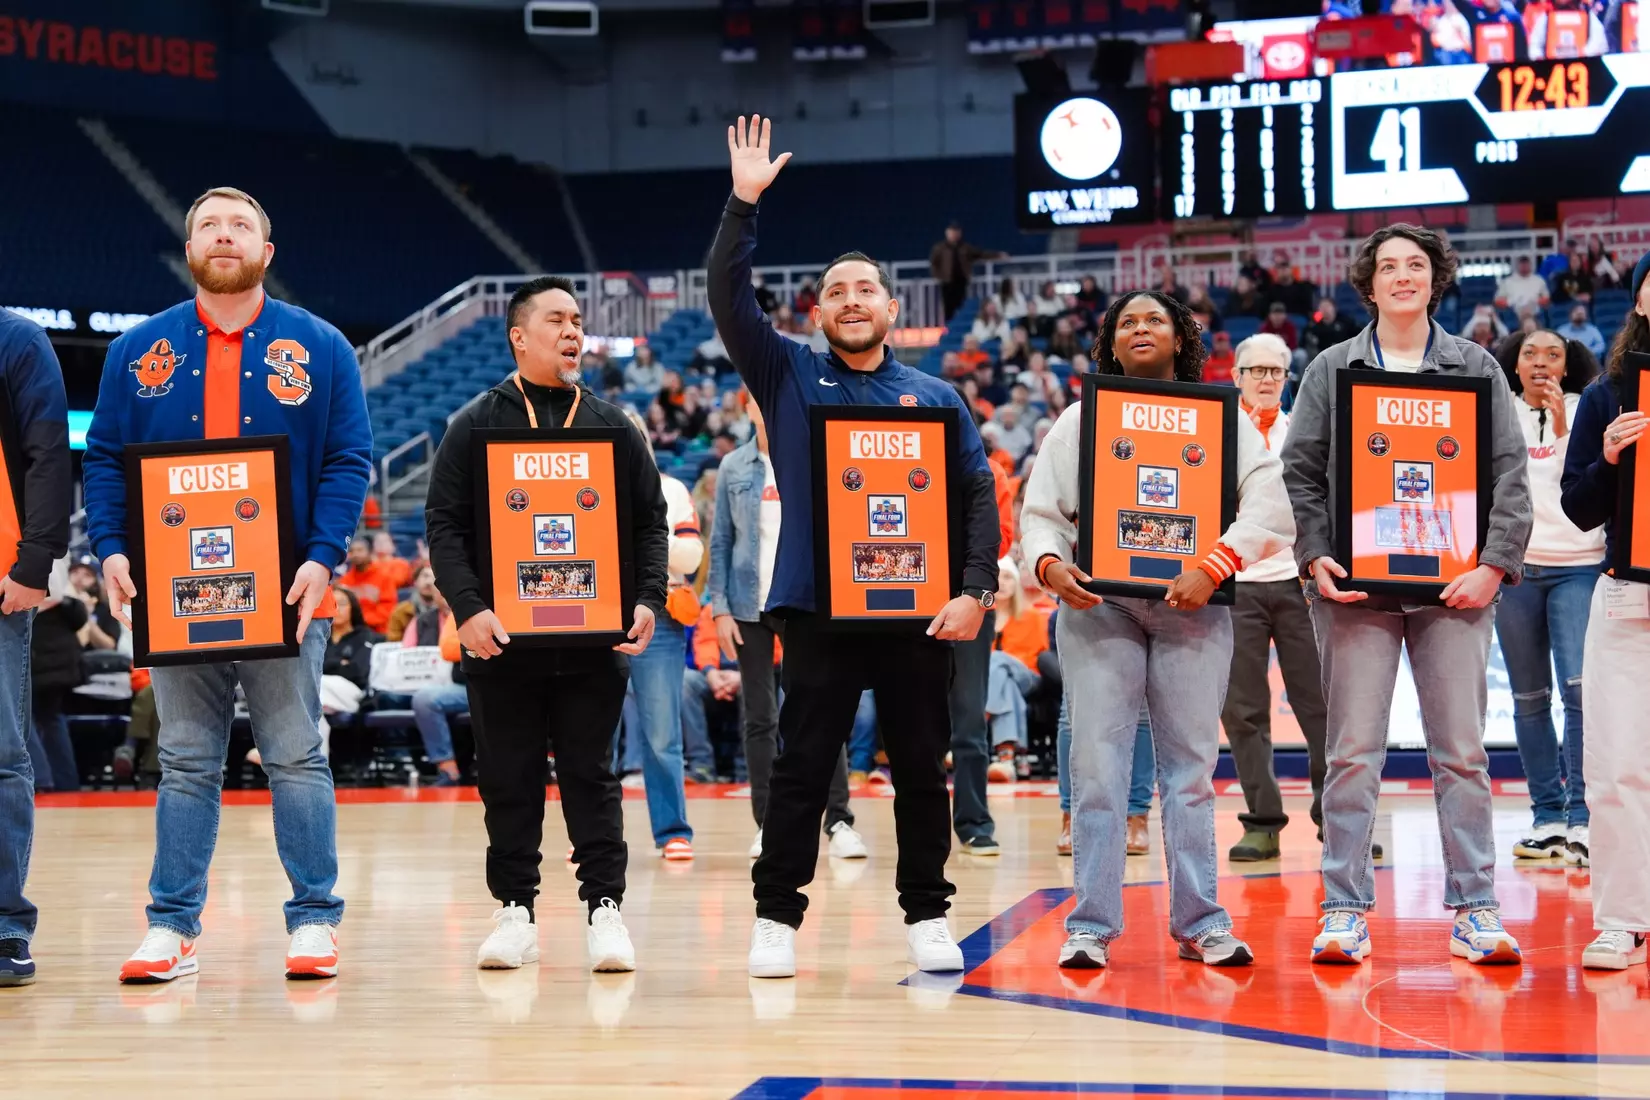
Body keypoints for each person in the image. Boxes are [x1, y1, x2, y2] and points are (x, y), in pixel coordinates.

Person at [712, 116, 999, 979]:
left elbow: (977, 496)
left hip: (918, 613)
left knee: (919, 767)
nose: (848, 300)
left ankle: (927, 917)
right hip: (820, 610)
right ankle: (775, 918)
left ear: (890, 306)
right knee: (802, 767)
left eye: (863, 289)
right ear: (818, 310)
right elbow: (728, 297)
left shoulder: (936, 396)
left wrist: (975, 588)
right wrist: (743, 205)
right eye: (834, 291)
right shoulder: (789, 373)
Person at [84, 186, 371, 983]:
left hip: (287, 590)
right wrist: (110, 547)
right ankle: (171, 927)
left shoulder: (321, 347)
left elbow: (348, 460)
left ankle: (315, 919)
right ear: (189, 249)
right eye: (207, 224)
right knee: (183, 760)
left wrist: (323, 557)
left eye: (239, 224)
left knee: (295, 754)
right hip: (177, 595)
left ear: (265, 252)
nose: (223, 234)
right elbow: (105, 459)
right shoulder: (136, 352)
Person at [1281, 224, 1532, 967]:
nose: (1401, 276)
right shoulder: (1332, 368)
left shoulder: (1476, 364)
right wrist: (1315, 555)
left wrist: (1493, 566)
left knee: (1460, 753)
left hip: (1455, 588)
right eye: (1387, 266)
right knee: (1352, 753)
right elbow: (1300, 475)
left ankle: (1475, 907)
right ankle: (1344, 909)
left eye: (1414, 265)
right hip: (1356, 591)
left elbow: (1510, 477)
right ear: (1368, 283)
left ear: (1435, 278)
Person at [1023, 290, 1295, 969]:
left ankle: (1201, 921)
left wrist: (1216, 563)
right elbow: (1041, 514)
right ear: (1111, 344)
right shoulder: (1081, 421)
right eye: (1127, 322)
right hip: (1098, 605)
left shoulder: (1223, 420)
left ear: (1181, 339)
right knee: (1096, 769)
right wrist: (1052, 567)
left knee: (1190, 773)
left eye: (1155, 320)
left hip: (1194, 605)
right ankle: (1089, 924)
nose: (1141, 328)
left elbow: (1270, 504)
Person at [424, 274, 667, 973]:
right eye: (557, 319)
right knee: (509, 778)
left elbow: (651, 524)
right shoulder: (473, 424)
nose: (573, 331)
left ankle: (604, 909)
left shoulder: (616, 425)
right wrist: (467, 607)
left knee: (594, 776)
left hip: (594, 642)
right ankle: (516, 910)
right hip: (503, 645)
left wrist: (648, 598)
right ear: (519, 336)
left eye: (578, 320)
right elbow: (444, 527)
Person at [706, 395, 867, 861]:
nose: (765, 405)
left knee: (823, 710)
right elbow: (721, 542)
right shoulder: (733, 466)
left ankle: (838, 820)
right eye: (756, 399)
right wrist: (718, 607)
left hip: (804, 603)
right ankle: (768, 824)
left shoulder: (815, 456)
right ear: (747, 409)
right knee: (760, 718)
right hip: (747, 605)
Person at [1560, 251, 1650, 970]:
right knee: (1617, 765)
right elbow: (1578, 507)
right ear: (1640, 301)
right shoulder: (1606, 395)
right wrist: (1611, 462)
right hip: (1627, 593)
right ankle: (1622, 918)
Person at [1493, 328, 1604, 862]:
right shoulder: (1497, 410)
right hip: (1514, 571)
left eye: (1553, 355)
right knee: (1528, 699)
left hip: (1580, 567)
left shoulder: (1592, 407)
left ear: (1568, 364)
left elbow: (1586, 485)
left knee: (1580, 694)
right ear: (1514, 365)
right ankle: (1547, 817)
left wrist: (1563, 429)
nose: (1540, 363)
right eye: (1530, 354)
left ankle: (1583, 817)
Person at [1220, 335, 1330, 863]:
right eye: (1255, 370)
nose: (1266, 379)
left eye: (1276, 371)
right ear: (1236, 375)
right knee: (1243, 711)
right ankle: (1261, 821)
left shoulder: (1303, 431)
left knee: (1321, 708)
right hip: (1236, 581)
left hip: (1298, 581)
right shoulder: (1218, 432)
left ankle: (1337, 821)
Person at [0, 309, 70, 988]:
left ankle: (4, 926)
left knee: (1, 756)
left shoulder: (16, 339)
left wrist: (34, 562)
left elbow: (49, 450)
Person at [618, 405, 704, 861]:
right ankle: (596, 836)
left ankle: (673, 829)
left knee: (661, 732)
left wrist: (640, 534)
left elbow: (691, 557)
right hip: (596, 617)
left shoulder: (670, 489)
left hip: (660, 615)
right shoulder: (584, 488)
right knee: (591, 733)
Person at [929, 221, 1004, 322]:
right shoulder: (940, 248)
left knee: (961, 305)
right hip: (947, 282)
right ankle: (950, 327)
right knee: (948, 307)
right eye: (952, 232)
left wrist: (997, 255)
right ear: (947, 233)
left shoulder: (965, 248)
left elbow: (980, 254)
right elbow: (934, 263)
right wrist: (939, 276)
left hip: (961, 280)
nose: (954, 234)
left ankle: (960, 323)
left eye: (956, 232)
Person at [336, 535, 398, 635]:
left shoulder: (384, 577)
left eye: (360, 550)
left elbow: (387, 609)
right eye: (352, 551)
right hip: (351, 633)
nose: (356, 554)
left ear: (370, 553)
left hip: (378, 632)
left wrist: (361, 620)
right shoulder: (344, 580)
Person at [386, 565, 443, 644]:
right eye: (425, 576)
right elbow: (393, 643)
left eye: (434, 577)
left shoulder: (447, 612)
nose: (429, 582)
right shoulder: (401, 611)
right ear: (415, 581)